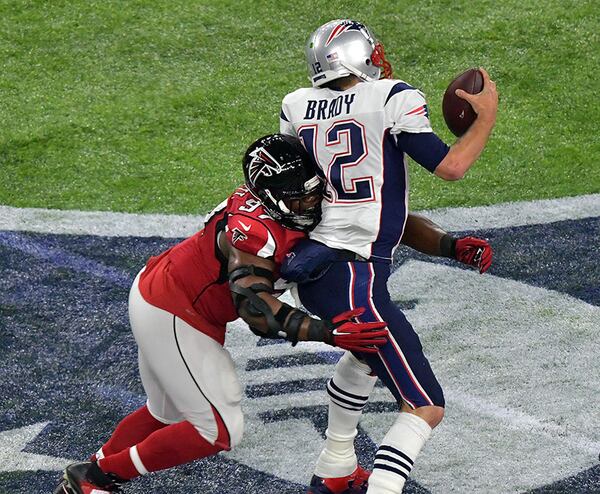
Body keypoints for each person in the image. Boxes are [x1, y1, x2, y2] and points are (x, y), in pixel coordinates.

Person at [52, 133, 391, 494]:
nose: (310, 202)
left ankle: (86, 480)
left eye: (312, 192)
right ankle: (96, 479)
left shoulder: (279, 206)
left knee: (165, 413)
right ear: (271, 196)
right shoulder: (252, 231)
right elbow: (256, 310)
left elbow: (381, 218)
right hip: (173, 310)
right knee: (219, 429)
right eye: (298, 197)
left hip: (164, 292)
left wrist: (448, 245)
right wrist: (327, 333)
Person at [279, 19, 498, 494]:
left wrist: (447, 243)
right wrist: (485, 118)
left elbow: (360, 200)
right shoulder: (392, 96)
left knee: (362, 360)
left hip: (318, 268)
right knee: (425, 405)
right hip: (354, 275)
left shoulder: (295, 106)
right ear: (357, 55)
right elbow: (452, 167)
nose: (380, 60)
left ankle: (334, 470)